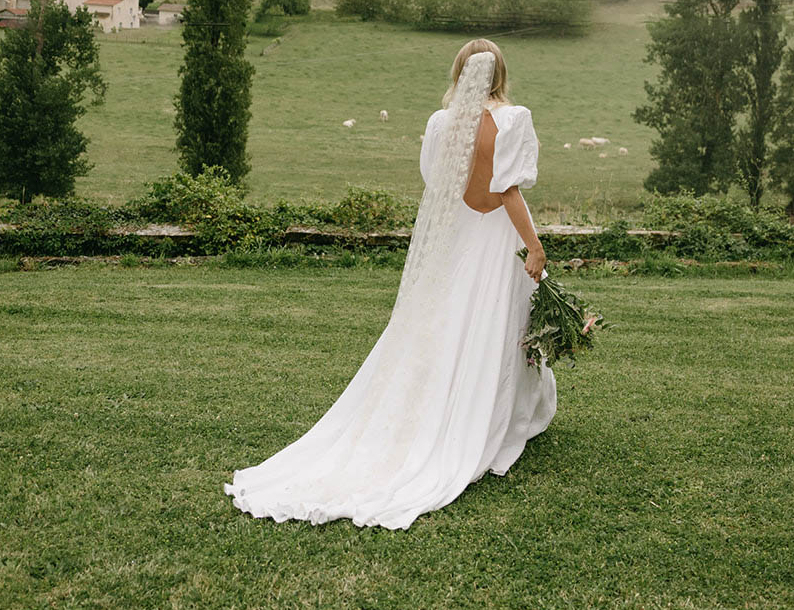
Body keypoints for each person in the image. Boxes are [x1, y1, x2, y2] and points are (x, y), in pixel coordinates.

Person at [224, 39, 557, 529]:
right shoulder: (512, 119)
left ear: (460, 72)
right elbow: (507, 190)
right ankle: (485, 417)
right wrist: (535, 245)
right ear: (500, 73)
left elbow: (437, 183)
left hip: (460, 237)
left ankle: (438, 406)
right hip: (495, 238)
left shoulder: (441, 125)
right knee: (497, 325)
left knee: (452, 324)